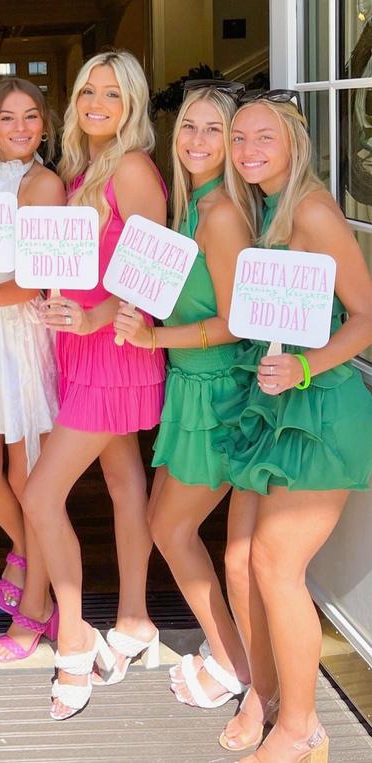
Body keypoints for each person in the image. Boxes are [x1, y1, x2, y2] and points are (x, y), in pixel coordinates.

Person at [216, 93, 372, 763]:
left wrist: (305, 366)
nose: (248, 149)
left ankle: (302, 727)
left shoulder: (311, 209)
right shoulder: (267, 205)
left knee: (276, 565)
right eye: (239, 137)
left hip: (319, 408)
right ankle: (268, 694)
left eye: (264, 137)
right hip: (275, 406)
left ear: (294, 143)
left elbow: (367, 316)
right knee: (240, 560)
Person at [22, 50, 166, 721]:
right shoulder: (84, 169)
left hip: (113, 351)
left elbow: (151, 277)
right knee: (123, 482)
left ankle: (75, 638)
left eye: (112, 93)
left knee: (40, 492)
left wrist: (90, 317)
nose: (97, 103)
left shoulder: (132, 168)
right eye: (87, 91)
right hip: (82, 347)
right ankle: (135, 619)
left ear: (132, 103)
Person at [114, 82, 253, 710]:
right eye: (189, 127)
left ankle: (232, 664)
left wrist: (154, 337)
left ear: (232, 142)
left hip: (218, 389)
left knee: (171, 528)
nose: (196, 140)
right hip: (188, 386)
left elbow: (237, 322)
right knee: (162, 522)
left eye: (213, 129)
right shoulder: (189, 205)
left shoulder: (221, 214)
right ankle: (232, 650)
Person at [0, 78, 65, 660]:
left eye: (30, 117)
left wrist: (0, 295)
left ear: (44, 125)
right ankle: (23, 546)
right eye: (6, 117)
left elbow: (45, 271)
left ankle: (39, 603)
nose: (19, 128)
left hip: (17, 334)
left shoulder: (43, 183)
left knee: (29, 479)